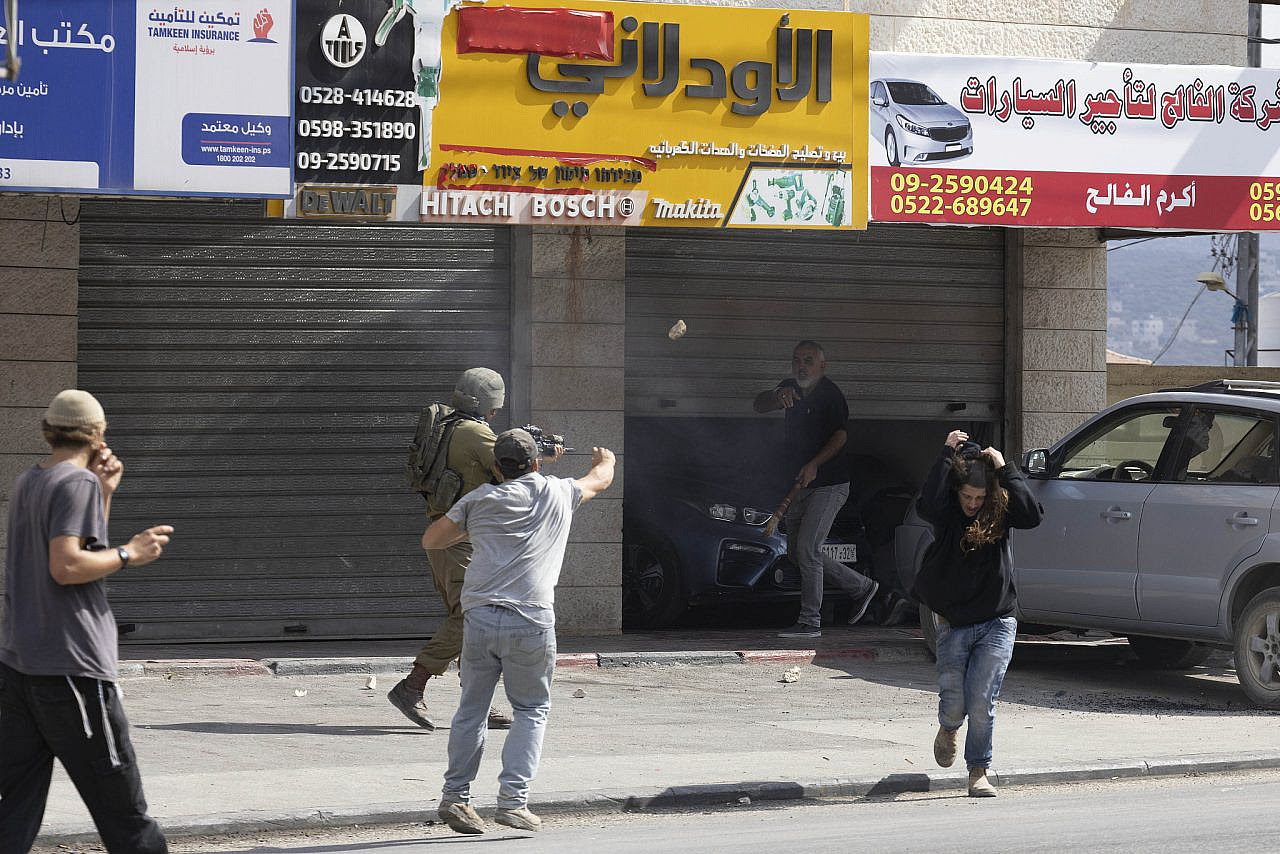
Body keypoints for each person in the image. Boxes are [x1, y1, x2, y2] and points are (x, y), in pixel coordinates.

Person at [0, 390, 174, 852]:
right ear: (98, 434)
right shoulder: (75, 485)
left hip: (20, 668)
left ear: (47, 430)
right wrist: (129, 553)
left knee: (14, 807)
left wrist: (106, 494)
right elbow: (68, 567)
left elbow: (78, 552)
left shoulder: (31, 480)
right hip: (72, 671)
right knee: (124, 812)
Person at [424, 430, 615, 835]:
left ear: (496, 466)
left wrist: (475, 528)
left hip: (479, 620)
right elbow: (600, 478)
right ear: (536, 462)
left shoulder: (479, 500)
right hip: (530, 622)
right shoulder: (558, 493)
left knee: (471, 711)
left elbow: (433, 539)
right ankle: (513, 802)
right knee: (530, 709)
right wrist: (605, 456)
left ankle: (456, 797)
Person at [913, 429, 1042, 797]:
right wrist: (945, 453)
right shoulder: (948, 514)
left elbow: (1032, 515)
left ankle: (978, 771)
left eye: (979, 497)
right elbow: (928, 504)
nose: (972, 503)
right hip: (954, 622)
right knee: (955, 701)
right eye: (967, 496)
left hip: (998, 620)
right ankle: (949, 727)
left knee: (983, 699)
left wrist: (1006, 469)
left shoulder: (1000, 509)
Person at [388, 367, 514, 731]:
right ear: (491, 407)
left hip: (450, 537)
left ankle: (477, 704)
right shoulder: (475, 432)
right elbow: (512, 469)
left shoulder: (449, 427)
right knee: (472, 618)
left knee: (475, 625)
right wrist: (540, 453)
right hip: (459, 540)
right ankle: (413, 685)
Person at [753, 340, 878, 638]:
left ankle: (810, 621)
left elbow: (840, 437)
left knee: (808, 549)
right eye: (797, 359)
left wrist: (814, 464)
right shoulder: (789, 388)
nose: (801, 365)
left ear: (822, 366)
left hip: (829, 485)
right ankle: (861, 587)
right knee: (797, 552)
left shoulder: (831, 395)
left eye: (808, 360)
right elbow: (759, 404)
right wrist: (775, 395)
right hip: (799, 485)